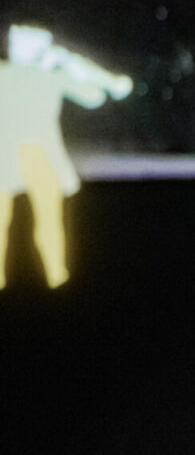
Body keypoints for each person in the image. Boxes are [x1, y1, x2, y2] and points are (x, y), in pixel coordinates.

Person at [0, 24, 132, 289]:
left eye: (22, 39)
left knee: (49, 222)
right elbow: (101, 94)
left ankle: (58, 279)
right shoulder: (6, 73)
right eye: (14, 40)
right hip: (4, 154)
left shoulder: (51, 76)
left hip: (40, 155)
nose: (14, 44)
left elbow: (95, 97)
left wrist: (73, 66)